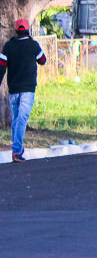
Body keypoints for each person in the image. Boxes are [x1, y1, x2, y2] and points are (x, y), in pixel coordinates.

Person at [0, 19, 47, 162]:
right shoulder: (33, 45)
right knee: (21, 119)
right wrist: (32, 42)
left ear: (16, 30)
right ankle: (17, 151)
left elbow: (1, 67)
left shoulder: (8, 46)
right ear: (28, 30)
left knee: (16, 120)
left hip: (13, 89)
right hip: (28, 89)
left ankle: (17, 150)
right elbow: (43, 60)